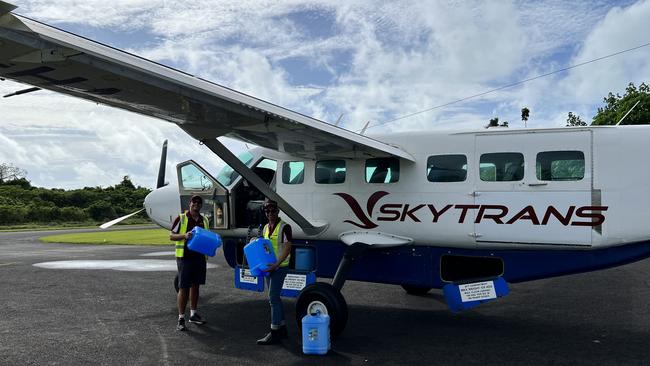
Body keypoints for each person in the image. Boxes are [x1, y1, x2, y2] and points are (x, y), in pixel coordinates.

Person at [170, 195, 209, 331]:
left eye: (199, 202)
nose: (196, 204)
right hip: (185, 257)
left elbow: (206, 237)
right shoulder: (181, 218)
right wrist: (184, 235)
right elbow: (171, 236)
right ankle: (181, 318)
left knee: (196, 286)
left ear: (201, 205)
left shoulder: (204, 220)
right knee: (183, 287)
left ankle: (193, 314)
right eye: (194, 202)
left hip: (199, 258)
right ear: (190, 203)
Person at [256, 199, 292, 345]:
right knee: (275, 298)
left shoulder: (285, 227)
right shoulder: (265, 228)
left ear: (278, 211)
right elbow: (265, 247)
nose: (270, 213)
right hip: (269, 268)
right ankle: (282, 329)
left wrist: (276, 264)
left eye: (273, 211)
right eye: (267, 211)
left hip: (280, 267)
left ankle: (274, 332)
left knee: (273, 298)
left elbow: (287, 247)